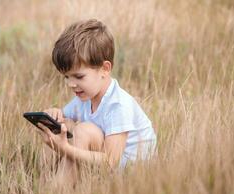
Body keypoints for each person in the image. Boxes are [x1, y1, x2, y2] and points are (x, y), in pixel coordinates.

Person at [37, 19, 157, 185]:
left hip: (131, 175)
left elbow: (110, 162)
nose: (71, 84)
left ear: (105, 69)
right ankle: (45, 181)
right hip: (105, 165)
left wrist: (66, 149)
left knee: (84, 130)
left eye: (79, 76)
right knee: (61, 127)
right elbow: (63, 117)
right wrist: (54, 113)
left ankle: (57, 191)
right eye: (67, 77)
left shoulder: (118, 105)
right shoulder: (85, 96)